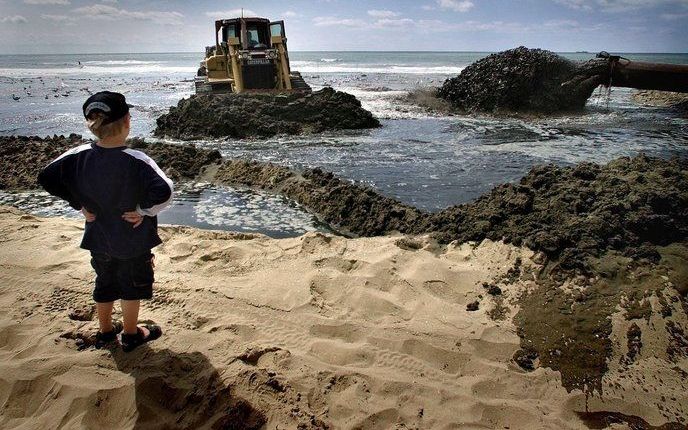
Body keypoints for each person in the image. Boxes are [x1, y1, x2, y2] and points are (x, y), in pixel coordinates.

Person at [38, 91, 174, 352]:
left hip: (98, 236)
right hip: (132, 239)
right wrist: (143, 211)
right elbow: (166, 191)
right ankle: (133, 334)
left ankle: (105, 332)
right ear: (127, 122)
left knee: (104, 281)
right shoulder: (137, 160)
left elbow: (46, 177)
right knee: (131, 287)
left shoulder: (78, 155)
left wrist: (78, 204)